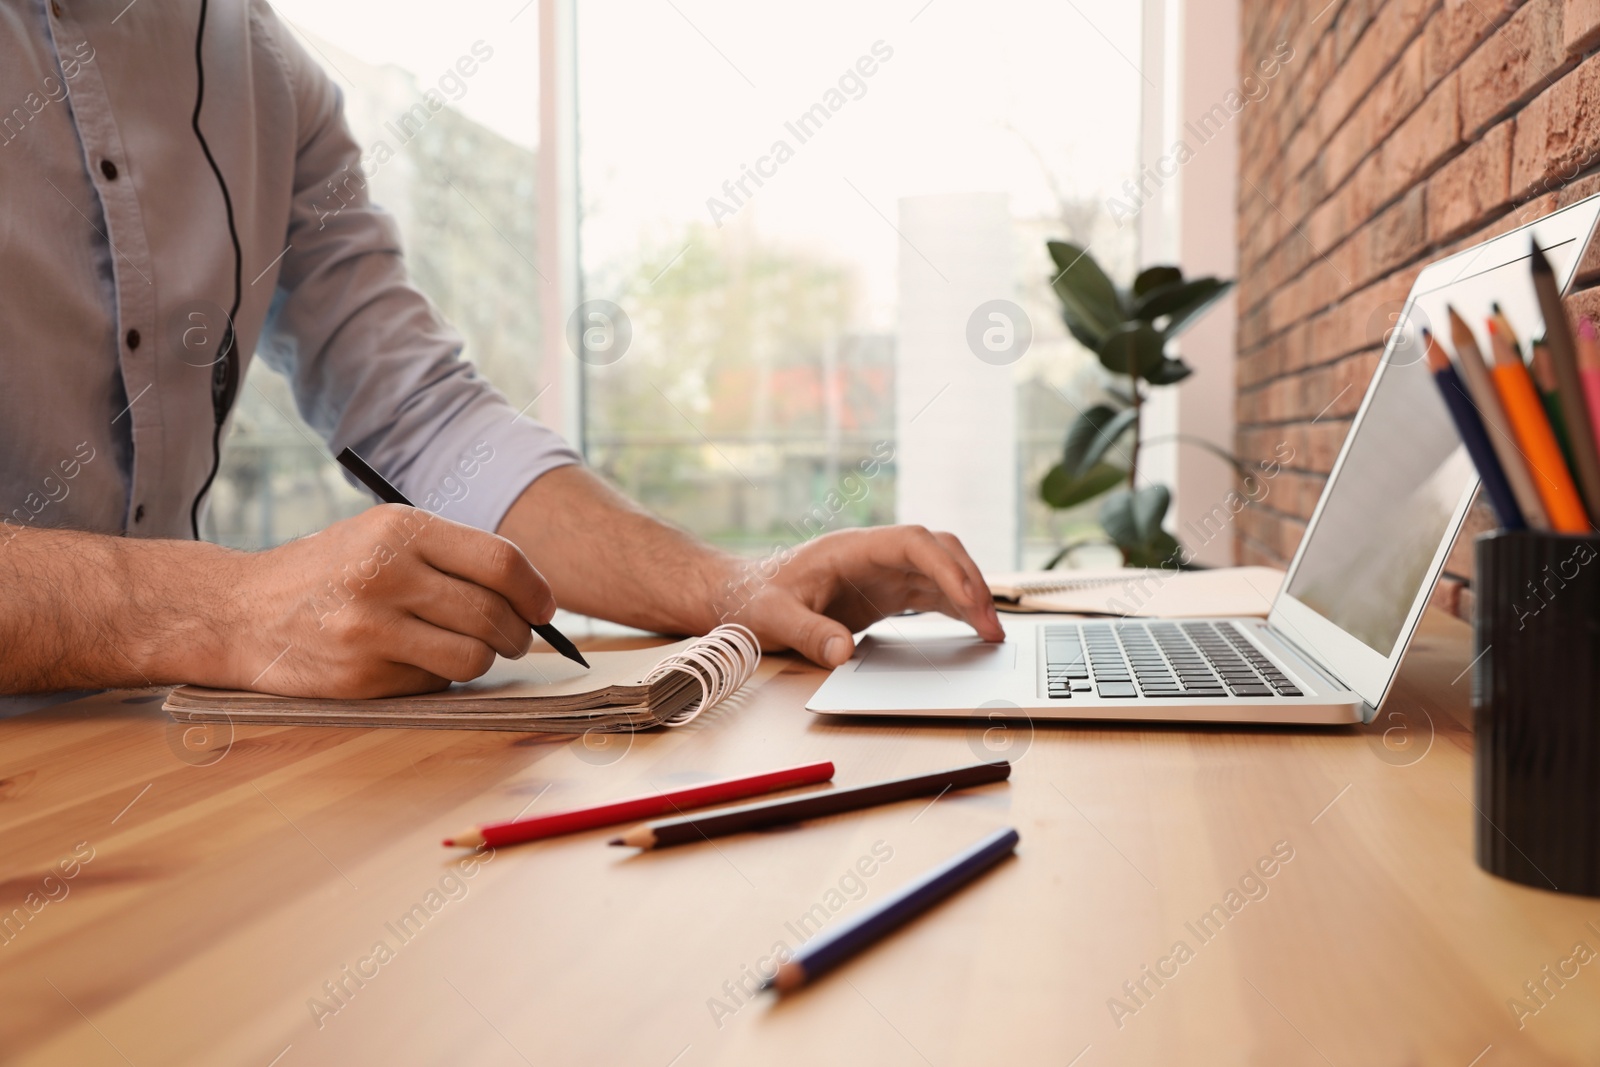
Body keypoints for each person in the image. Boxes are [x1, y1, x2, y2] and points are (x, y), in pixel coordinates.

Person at [0, 0, 1002, 699]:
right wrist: (223, 607)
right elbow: (225, 610)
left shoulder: (263, 71)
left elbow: (423, 419)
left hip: (141, 777)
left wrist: (722, 582)